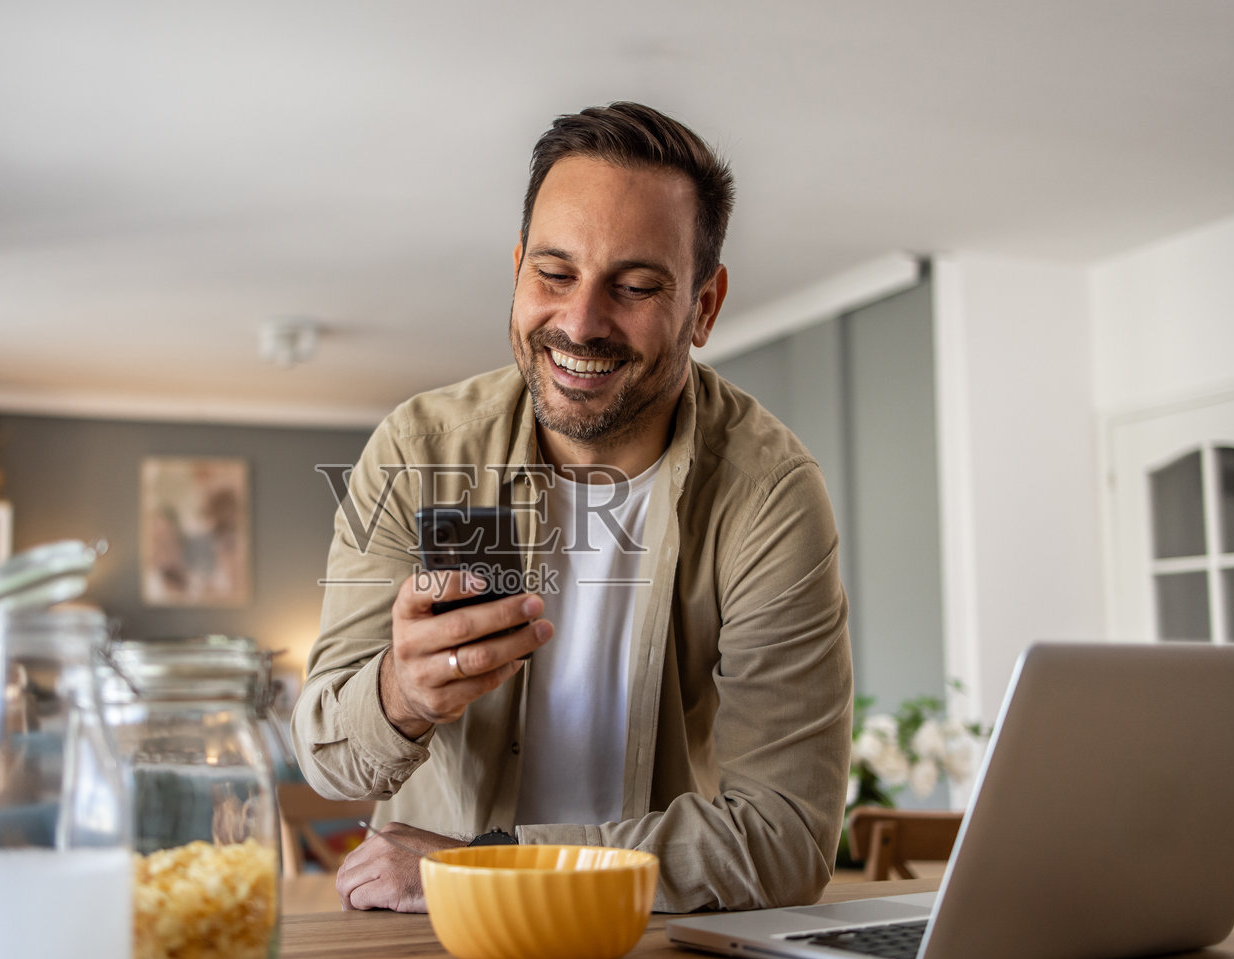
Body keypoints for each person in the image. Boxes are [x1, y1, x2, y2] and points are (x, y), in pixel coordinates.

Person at [293, 101, 852, 913]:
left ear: (704, 305)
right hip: (432, 947)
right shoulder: (422, 450)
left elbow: (786, 837)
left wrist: (488, 867)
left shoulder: (768, 496)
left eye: (634, 286)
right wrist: (401, 695)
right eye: (554, 275)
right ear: (518, 267)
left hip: (646, 949)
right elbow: (325, 758)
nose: (581, 322)